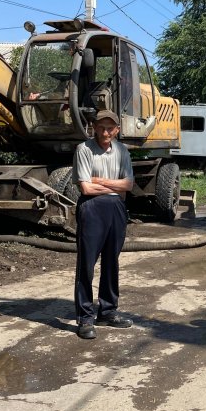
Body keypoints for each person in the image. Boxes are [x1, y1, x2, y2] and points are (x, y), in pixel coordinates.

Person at [72, 109, 135, 339]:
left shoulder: (122, 151)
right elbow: (86, 188)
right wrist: (113, 185)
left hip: (116, 208)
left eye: (110, 127)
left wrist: (100, 181)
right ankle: (85, 317)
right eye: (101, 127)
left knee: (111, 262)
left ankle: (108, 311)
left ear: (117, 130)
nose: (105, 131)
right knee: (87, 265)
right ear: (94, 127)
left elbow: (128, 185)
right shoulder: (84, 149)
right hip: (92, 207)